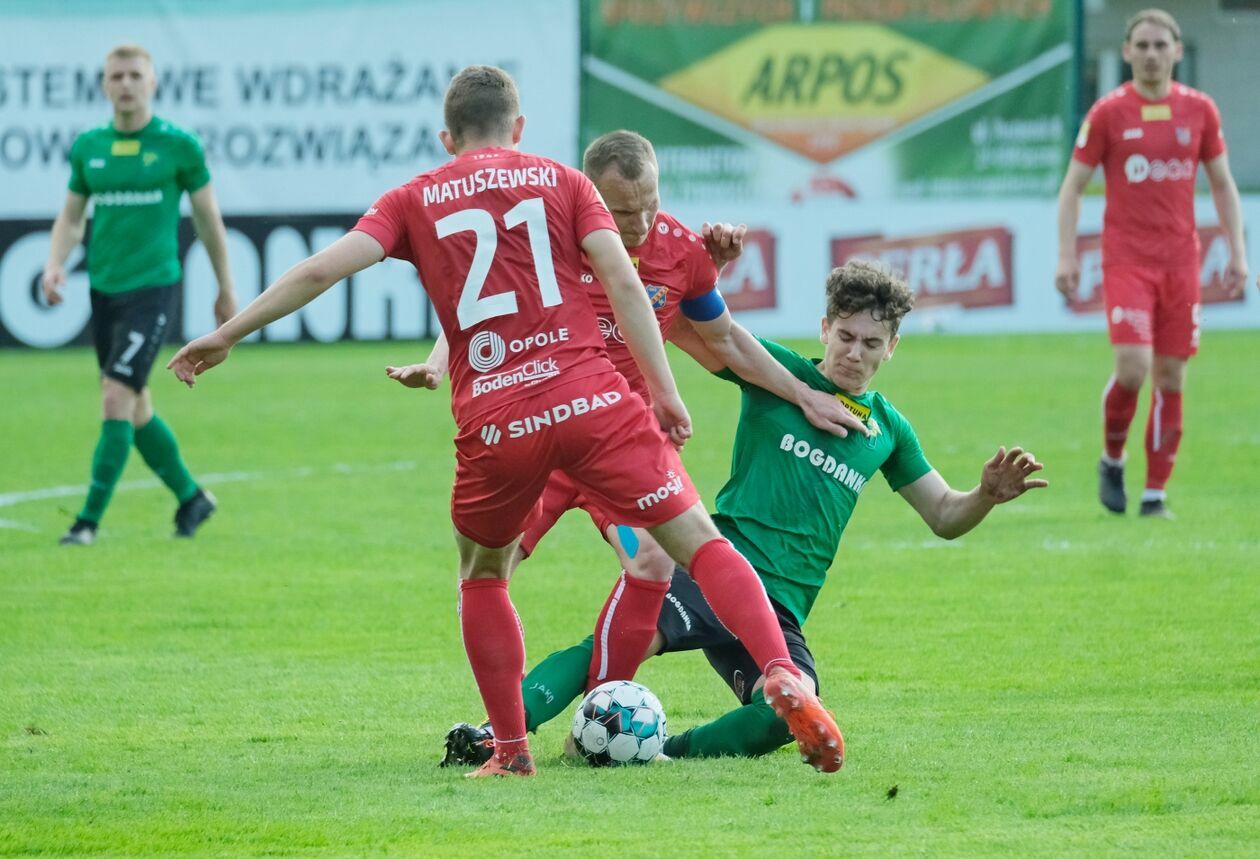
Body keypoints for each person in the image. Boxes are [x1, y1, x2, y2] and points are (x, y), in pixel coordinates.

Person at [168, 66, 846, 777]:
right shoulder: (563, 182)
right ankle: (778, 669)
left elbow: (320, 271)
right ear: (519, 129)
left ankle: (513, 750)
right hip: (595, 402)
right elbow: (622, 281)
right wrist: (665, 389)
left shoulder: (413, 197)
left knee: (485, 574)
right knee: (699, 545)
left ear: (446, 136)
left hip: (498, 419)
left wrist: (229, 333)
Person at [440, 260, 1048, 768]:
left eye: (870, 344)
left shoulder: (887, 430)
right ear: (824, 329)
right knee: (625, 640)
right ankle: (499, 732)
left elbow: (943, 514)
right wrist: (706, 266)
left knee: (786, 713)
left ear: (892, 347)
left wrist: (984, 496)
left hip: (780, 608)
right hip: (717, 569)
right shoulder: (778, 374)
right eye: (845, 337)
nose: (854, 354)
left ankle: (659, 755)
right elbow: (683, 323)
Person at [388, 130, 866, 698]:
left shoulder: (681, 250)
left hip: (617, 442)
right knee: (490, 572)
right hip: (539, 431)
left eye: (651, 205)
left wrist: (802, 394)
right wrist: (439, 360)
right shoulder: (551, 232)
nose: (638, 224)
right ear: (590, 193)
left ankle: (603, 712)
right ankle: (505, 728)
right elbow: (486, 303)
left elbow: (728, 339)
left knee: (653, 562)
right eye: (622, 211)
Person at [1055, 8, 1249, 519]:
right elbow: (1072, 188)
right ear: (1126, 52)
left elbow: (1223, 184)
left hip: (1181, 264)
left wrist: (1237, 252)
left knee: (1171, 376)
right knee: (1134, 367)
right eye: (1141, 45)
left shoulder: (1201, 111)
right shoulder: (1108, 113)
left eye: (1161, 45)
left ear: (1177, 52)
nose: (1151, 54)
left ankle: (1155, 494)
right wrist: (1067, 255)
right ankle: (1112, 460)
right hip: (1127, 261)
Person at [41, 44, 236, 546]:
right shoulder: (90, 147)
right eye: (116, 76)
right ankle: (192, 498)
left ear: (152, 83)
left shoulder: (179, 146)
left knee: (115, 396)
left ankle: (86, 523)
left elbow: (207, 219)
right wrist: (55, 264)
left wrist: (225, 286)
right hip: (104, 290)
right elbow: (71, 216)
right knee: (136, 404)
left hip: (154, 290)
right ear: (104, 85)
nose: (125, 84)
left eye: (134, 75)